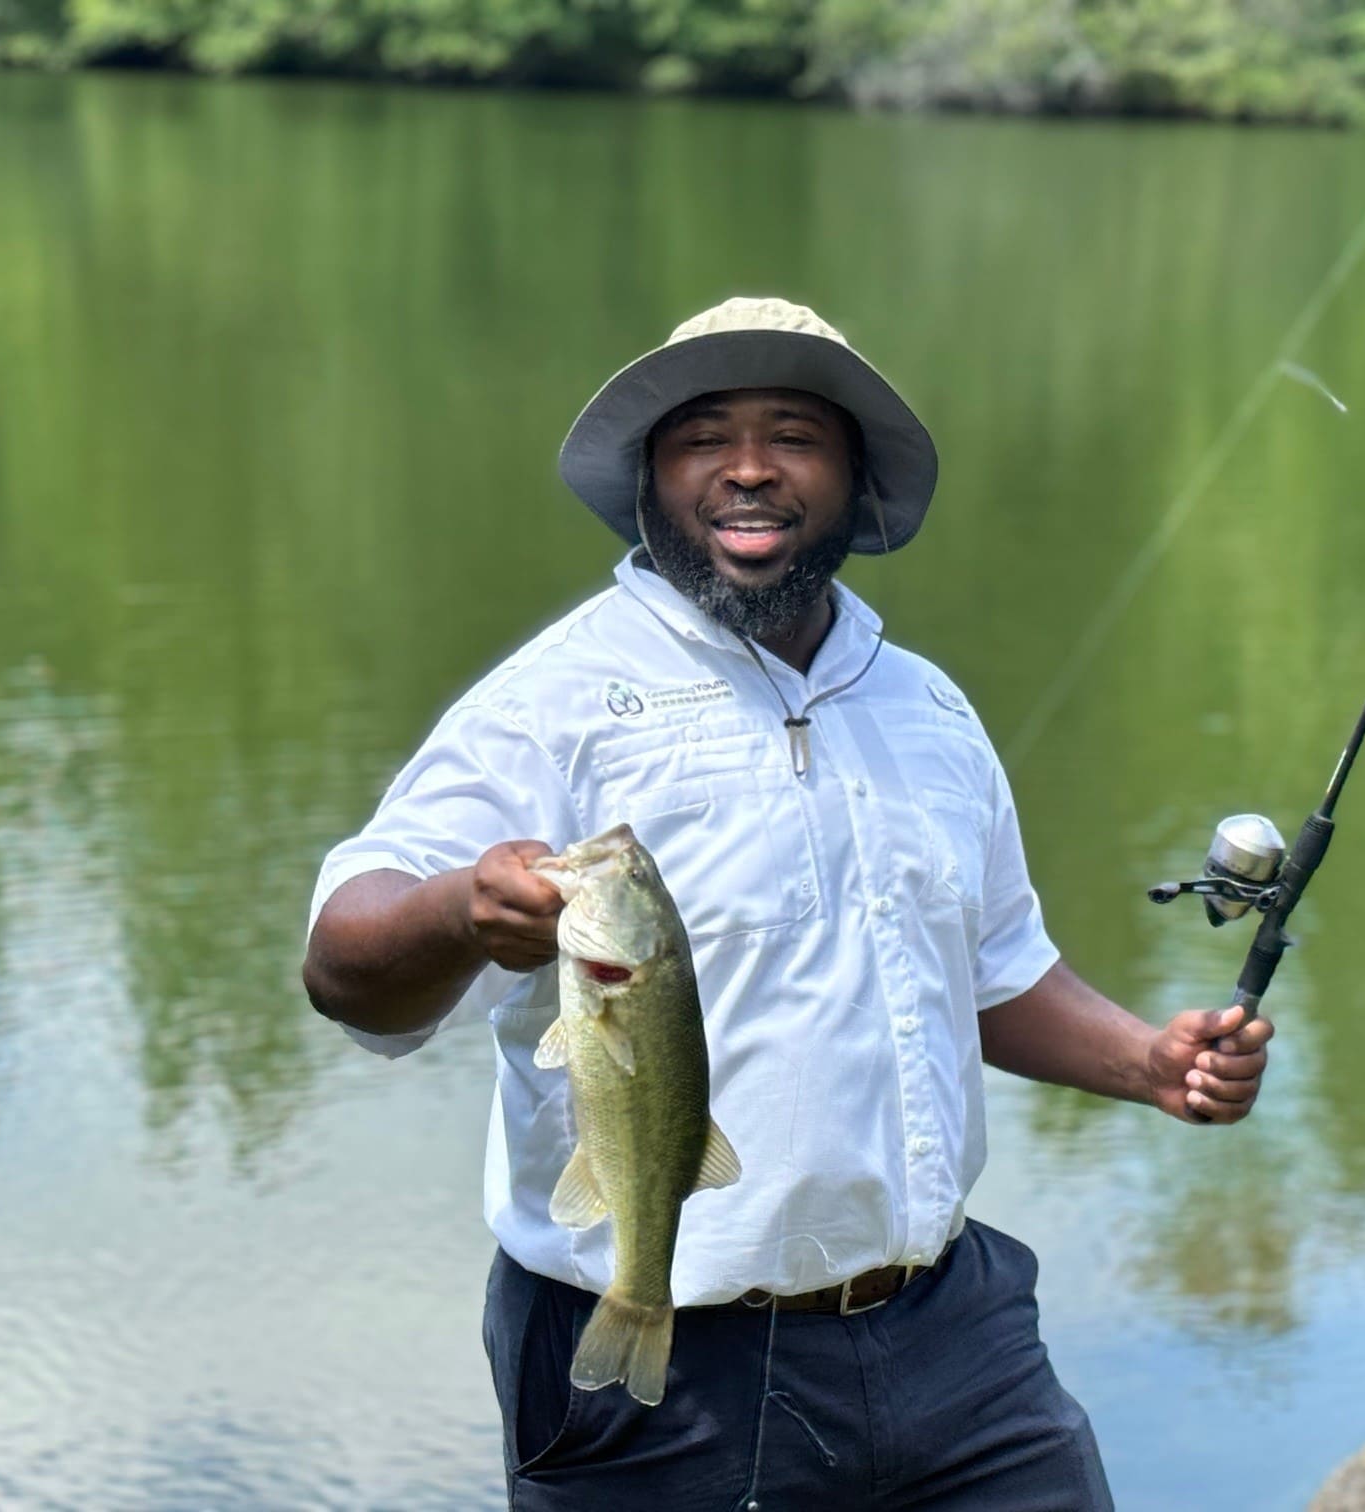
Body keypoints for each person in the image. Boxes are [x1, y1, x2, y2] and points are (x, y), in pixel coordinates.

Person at [302, 297, 1274, 1510]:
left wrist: (1148, 1062)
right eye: (704, 434)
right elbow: (344, 960)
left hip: (954, 1338)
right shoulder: (546, 704)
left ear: (854, 479)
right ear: (651, 478)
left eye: (795, 436)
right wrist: (456, 912)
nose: (749, 468)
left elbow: (992, 973)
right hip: (659, 1367)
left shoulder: (928, 710)